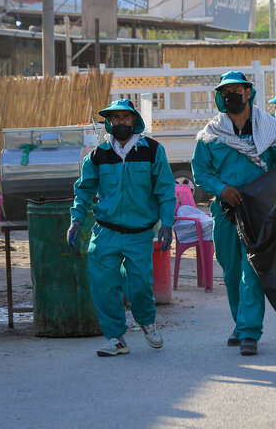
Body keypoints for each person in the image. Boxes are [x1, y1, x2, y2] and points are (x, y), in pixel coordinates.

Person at [191, 71, 276, 356]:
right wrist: (221, 189)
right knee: (232, 270)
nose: (230, 95)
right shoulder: (211, 133)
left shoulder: (269, 128)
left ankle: (250, 332)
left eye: (235, 90)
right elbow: (200, 171)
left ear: (248, 92)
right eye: (225, 91)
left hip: (258, 211)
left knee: (252, 271)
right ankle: (239, 324)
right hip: (224, 211)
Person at [67, 99, 176, 357]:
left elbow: (165, 190)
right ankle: (115, 338)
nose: (119, 123)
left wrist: (167, 224)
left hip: (139, 233)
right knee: (104, 286)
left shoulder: (152, 150)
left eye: (124, 118)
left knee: (139, 284)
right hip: (105, 232)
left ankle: (147, 322)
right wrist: (76, 219)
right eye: (114, 118)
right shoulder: (98, 155)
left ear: (134, 120)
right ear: (109, 122)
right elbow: (83, 190)